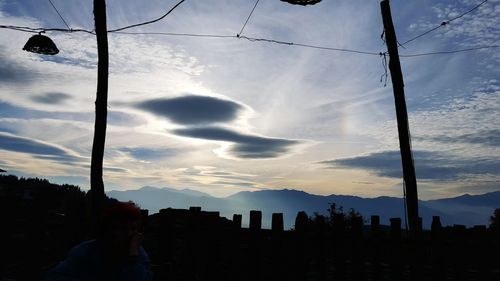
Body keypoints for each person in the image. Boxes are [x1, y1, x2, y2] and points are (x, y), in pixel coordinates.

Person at [45, 201, 152, 281]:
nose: (129, 234)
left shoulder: (138, 254)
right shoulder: (85, 253)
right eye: (122, 228)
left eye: (133, 229)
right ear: (108, 230)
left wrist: (133, 257)